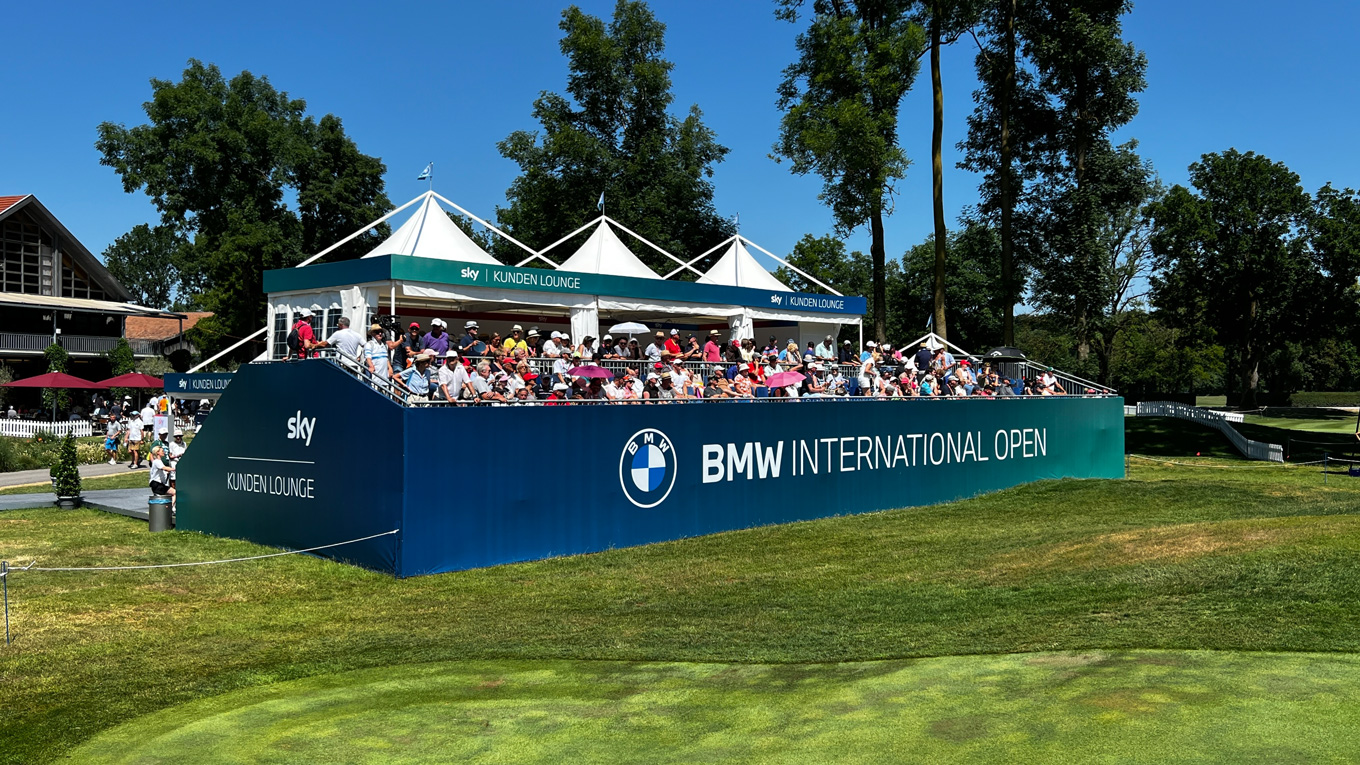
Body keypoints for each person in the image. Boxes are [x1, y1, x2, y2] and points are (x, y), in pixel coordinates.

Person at [363, 324, 394, 389]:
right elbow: (368, 357)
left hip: (384, 377)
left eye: (381, 332)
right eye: (377, 332)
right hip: (375, 377)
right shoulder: (369, 344)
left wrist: (390, 368)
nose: (380, 333)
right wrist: (371, 366)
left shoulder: (384, 345)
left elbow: (386, 358)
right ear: (372, 333)